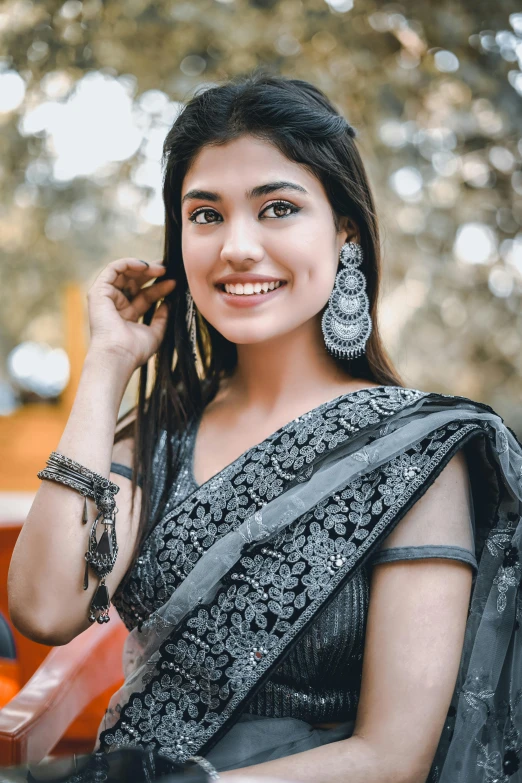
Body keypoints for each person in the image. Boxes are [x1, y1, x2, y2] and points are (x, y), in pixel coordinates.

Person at [7, 70, 522, 783]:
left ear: (345, 229)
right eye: (206, 214)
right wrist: (106, 366)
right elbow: (42, 606)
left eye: (277, 208)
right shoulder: (157, 438)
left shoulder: (419, 451)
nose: (236, 247)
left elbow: (390, 755)